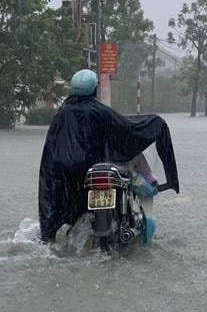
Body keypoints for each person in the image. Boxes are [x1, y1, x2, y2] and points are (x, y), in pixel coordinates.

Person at [38, 69, 180, 242]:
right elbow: (128, 128)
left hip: (66, 176)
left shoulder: (61, 115)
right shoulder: (100, 111)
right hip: (93, 166)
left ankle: (53, 235)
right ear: (94, 89)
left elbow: (50, 153)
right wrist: (155, 122)